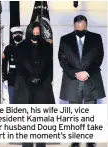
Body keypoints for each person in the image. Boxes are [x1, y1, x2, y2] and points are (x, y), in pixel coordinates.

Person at [58, 15, 105, 147]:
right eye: (78, 29)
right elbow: (62, 60)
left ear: (86, 26)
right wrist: (76, 73)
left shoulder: (96, 38)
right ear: (74, 26)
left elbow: (99, 58)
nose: (80, 31)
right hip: (72, 80)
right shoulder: (65, 40)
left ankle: (90, 141)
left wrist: (87, 72)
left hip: (91, 80)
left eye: (83, 29)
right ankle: (75, 140)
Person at [14, 21, 55, 147]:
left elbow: (49, 66)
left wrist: (40, 79)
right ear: (30, 32)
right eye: (34, 32)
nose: (36, 34)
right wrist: (29, 78)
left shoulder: (46, 46)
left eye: (38, 32)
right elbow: (19, 66)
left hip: (42, 87)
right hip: (25, 87)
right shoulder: (21, 46)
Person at [2, 26, 24, 104]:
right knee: (12, 101)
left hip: (24, 78)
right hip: (12, 78)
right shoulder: (8, 48)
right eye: (15, 34)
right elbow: (4, 64)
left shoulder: (27, 47)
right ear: (12, 35)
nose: (17, 35)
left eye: (19, 34)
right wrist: (4, 77)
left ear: (22, 35)